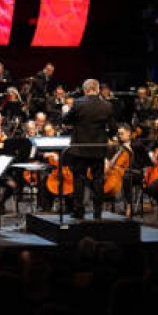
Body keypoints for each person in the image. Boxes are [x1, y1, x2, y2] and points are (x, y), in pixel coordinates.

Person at [59, 79, 113, 220]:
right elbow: (113, 128)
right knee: (98, 179)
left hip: (80, 148)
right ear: (97, 89)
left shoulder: (78, 103)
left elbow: (66, 120)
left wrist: (66, 112)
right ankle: (97, 212)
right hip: (98, 148)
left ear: (86, 89)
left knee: (79, 179)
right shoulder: (107, 105)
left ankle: (79, 211)